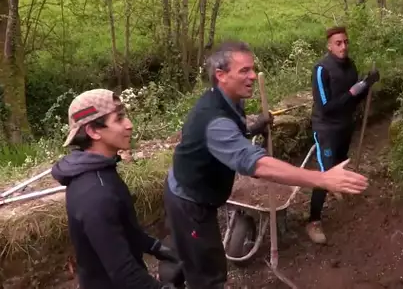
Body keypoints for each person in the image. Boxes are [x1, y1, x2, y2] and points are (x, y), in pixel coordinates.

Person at [163, 40, 369, 288]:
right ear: (221, 75)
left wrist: (253, 129)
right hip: (190, 203)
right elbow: (257, 165)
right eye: (244, 71)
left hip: (192, 188)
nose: (252, 76)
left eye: (252, 69)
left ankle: (169, 279)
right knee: (209, 274)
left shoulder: (228, 99)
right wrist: (322, 179)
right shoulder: (214, 120)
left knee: (186, 253)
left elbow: (232, 135)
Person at [51, 89, 183, 289]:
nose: (129, 124)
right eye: (119, 119)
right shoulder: (95, 193)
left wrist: (156, 248)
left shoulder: (100, 171)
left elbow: (123, 229)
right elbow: (123, 273)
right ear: (93, 131)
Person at [307, 26, 380, 244]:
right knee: (324, 172)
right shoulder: (321, 69)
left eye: (346, 42)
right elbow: (326, 106)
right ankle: (313, 221)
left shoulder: (350, 66)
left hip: (345, 126)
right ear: (329, 46)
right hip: (326, 128)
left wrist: (367, 84)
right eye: (338, 43)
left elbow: (354, 99)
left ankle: (338, 188)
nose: (343, 46)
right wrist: (357, 89)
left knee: (340, 162)